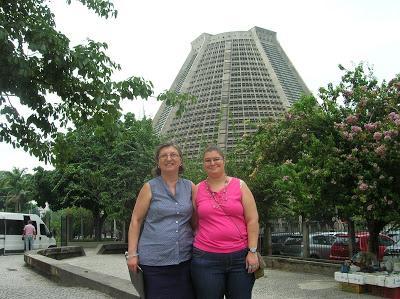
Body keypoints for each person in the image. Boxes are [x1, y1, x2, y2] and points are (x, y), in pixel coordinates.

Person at [127, 142, 195, 299]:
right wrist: (132, 254)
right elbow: (136, 220)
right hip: (154, 262)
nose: (169, 158)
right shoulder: (149, 187)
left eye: (173, 155)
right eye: (163, 156)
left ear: (181, 160)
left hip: (185, 259)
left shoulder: (190, 187)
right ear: (158, 162)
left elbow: (195, 220)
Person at [191, 144, 260, 299]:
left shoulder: (240, 185)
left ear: (224, 160)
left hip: (240, 258)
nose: (212, 163)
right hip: (205, 258)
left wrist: (252, 251)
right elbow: (194, 221)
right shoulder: (197, 189)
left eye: (216, 159)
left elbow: (252, 219)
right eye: (207, 160)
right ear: (203, 164)